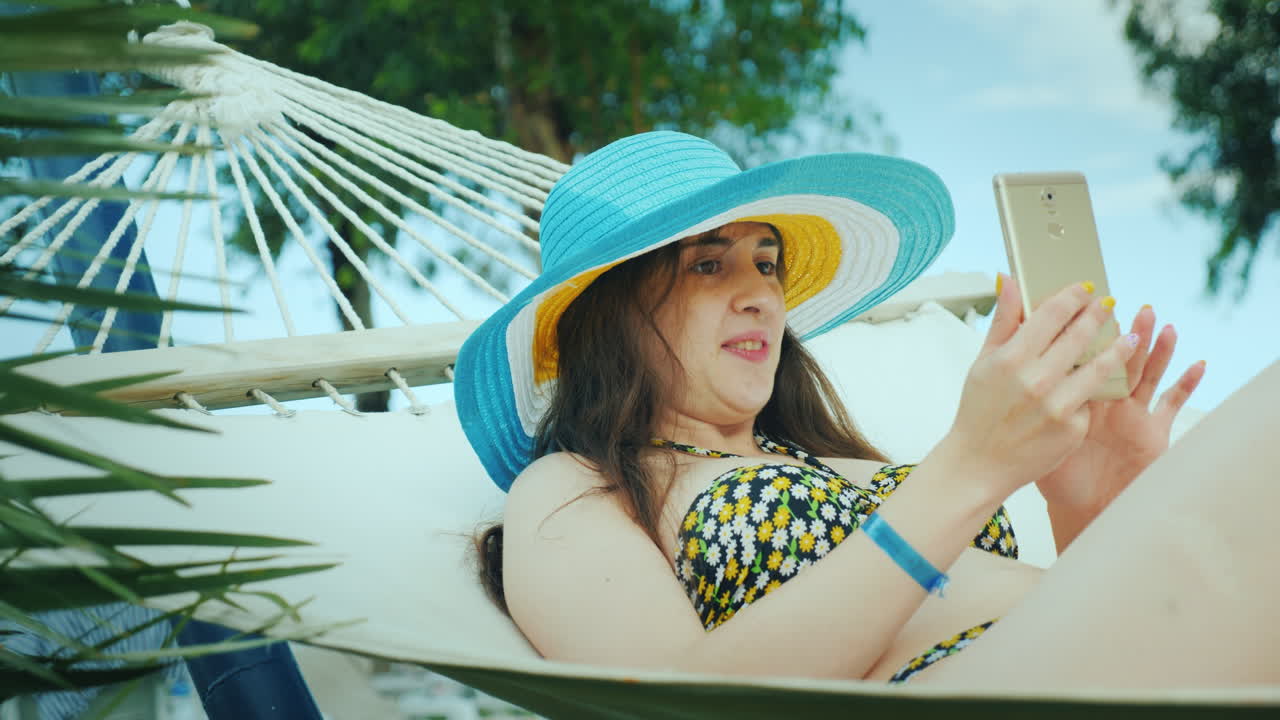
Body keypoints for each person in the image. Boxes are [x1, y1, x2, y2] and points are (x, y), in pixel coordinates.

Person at [453, 130, 1278, 689]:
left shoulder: (831, 458)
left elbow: (1038, 607)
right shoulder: (570, 489)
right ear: (609, 315)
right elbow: (676, 702)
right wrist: (967, 471)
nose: (759, 295)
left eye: (767, 263)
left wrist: (1096, 503)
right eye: (709, 266)